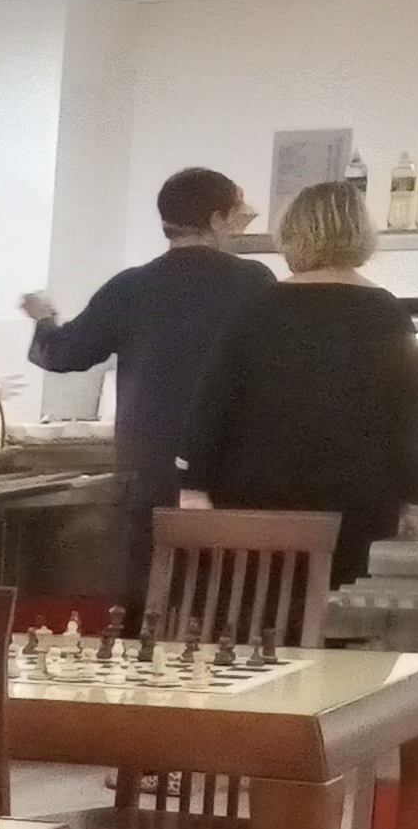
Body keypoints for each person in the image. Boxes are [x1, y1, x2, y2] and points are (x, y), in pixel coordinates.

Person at [20, 166, 274, 596]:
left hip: (147, 473)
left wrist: (44, 319)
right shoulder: (254, 282)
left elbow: (62, 354)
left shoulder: (131, 286)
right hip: (229, 469)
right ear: (217, 220)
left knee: (149, 597)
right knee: (224, 600)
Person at [178, 175, 418, 586]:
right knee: (339, 613)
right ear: (360, 233)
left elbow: (212, 403)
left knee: (262, 611)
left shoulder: (258, 308)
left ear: (292, 233)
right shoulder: (387, 313)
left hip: (259, 506)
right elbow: (415, 419)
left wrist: (194, 485)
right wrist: (413, 499)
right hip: (355, 508)